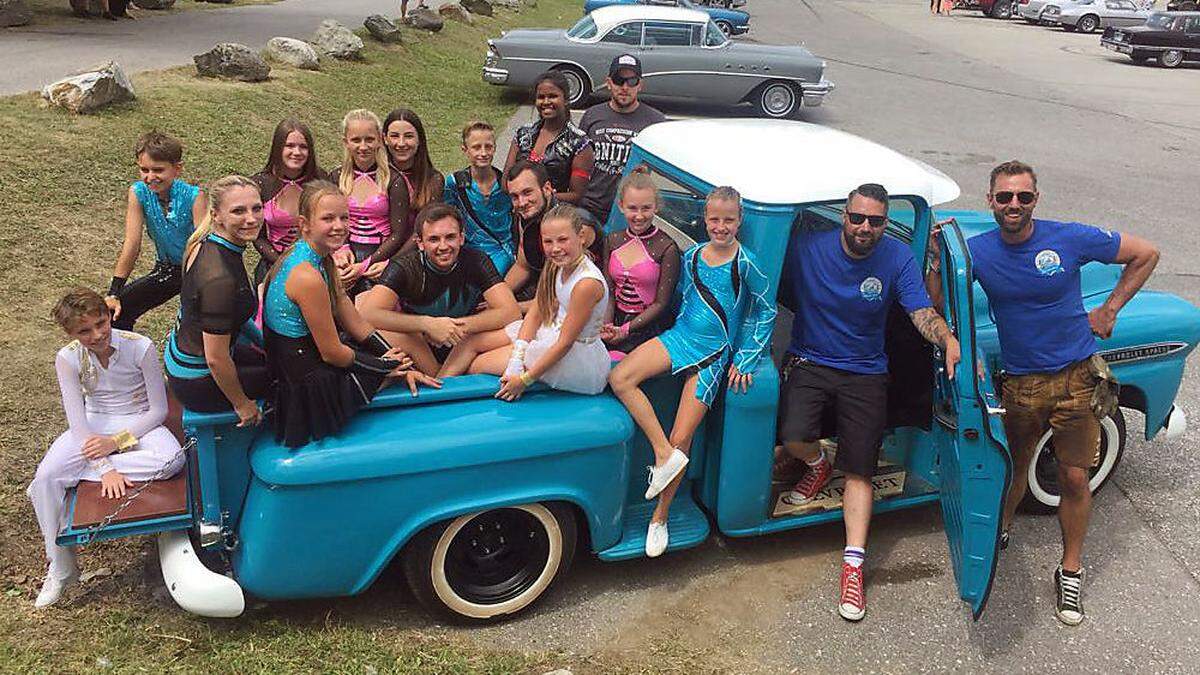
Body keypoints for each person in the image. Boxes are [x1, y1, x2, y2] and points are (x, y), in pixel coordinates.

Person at [941, 161, 1158, 625]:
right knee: (1011, 469)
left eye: (1023, 196)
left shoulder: (1070, 237)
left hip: (1077, 377)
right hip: (1021, 383)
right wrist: (939, 259)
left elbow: (1146, 253)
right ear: (991, 201)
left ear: (1036, 199)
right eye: (1004, 197)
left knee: (1075, 477)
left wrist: (1110, 309)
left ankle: (1071, 570)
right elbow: (938, 301)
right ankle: (997, 533)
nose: (1013, 204)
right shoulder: (976, 253)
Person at [775, 183, 960, 622]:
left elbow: (920, 312)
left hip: (866, 372)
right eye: (857, 217)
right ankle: (818, 463)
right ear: (844, 215)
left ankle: (853, 564)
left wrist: (948, 338)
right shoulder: (808, 246)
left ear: (883, 222)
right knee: (793, 436)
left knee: (860, 468)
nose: (865, 227)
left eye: (876, 220)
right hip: (810, 360)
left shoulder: (896, 256)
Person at [608, 187, 775, 559]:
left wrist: (746, 357)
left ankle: (660, 517)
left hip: (713, 355)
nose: (721, 227)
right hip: (680, 337)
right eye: (714, 219)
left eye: (728, 220)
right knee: (620, 378)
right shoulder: (694, 256)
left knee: (683, 437)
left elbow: (766, 310)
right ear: (705, 218)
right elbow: (677, 299)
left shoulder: (746, 262)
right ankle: (661, 452)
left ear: (739, 220)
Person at [28, 289, 186, 608]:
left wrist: (114, 446)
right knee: (44, 478)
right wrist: (105, 469)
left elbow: (157, 410)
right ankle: (59, 566)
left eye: (101, 323)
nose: (97, 334)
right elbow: (78, 422)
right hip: (94, 423)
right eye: (84, 331)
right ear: (71, 334)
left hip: (138, 422)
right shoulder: (68, 358)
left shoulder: (139, 347)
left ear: (109, 315)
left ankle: (76, 474)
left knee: (172, 460)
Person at [262, 181, 440, 448]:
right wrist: (388, 368)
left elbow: (354, 320)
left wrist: (391, 359)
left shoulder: (322, 258)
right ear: (304, 224)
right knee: (392, 370)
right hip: (307, 384)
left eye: (344, 217)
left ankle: (436, 381)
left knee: (402, 346)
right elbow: (332, 353)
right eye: (328, 218)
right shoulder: (306, 275)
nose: (339, 226)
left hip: (311, 360)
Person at [460, 205, 611, 398]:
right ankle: (439, 381)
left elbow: (565, 343)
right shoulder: (556, 264)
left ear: (581, 237)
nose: (555, 248)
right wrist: (518, 354)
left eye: (563, 240)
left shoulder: (586, 284)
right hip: (551, 332)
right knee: (471, 341)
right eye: (548, 241)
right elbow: (537, 311)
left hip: (574, 357)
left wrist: (524, 380)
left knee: (477, 364)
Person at [358, 204, 521, 377]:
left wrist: (452, 327)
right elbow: (368, 314)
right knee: (376, 332)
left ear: (462, 238)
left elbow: (511, 312)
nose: (443, 246)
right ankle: (444, 377)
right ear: (420, 243)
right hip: (420, 349)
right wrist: (427, 325)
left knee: (521, 332)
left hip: (464, 345)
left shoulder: (476, 261)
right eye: (434, 239)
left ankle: (444, 377)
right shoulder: (404, 267)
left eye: (450, 237)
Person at [165, 175, 272, 420]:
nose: (251, 218)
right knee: (291, 375)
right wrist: (242, 404)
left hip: (184, 357)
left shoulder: (207, 243)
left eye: (257, 208)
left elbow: (233, 316)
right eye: (238, 211)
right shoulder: (219, 280)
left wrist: (265, 345)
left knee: (277, 356)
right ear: (216, 215)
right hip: (197, 380)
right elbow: (216, 358)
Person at [104, 131, 207, 331]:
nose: (150, 177)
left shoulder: (195, 197)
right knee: (116, 313)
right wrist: (114, 292)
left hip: (197, 270)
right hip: (167, 269)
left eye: (158, 170)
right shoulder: (139, 193)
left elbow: (203, 245)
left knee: (207, 323)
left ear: (177, 169)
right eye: (144, 169)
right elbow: (132, 243)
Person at [327, 109, 412, 295]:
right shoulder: (336, 177)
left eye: (369, 139)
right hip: (345, 254)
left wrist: (366, 265)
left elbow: (399, 233)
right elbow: (330, 222)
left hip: (380, 256)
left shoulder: (394, 180)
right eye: (356, 140)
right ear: (345, 142)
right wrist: (340, 250)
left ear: (380, 140)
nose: (363, 146)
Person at [578, 55, 666, 225]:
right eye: (619, 80)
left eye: (632, 81)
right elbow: (578, 160)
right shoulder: (592, 115)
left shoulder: (655, 121)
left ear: (640, 85)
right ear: (609, 82)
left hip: (631, 211)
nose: (625, 87)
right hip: (590, 206)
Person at [600, 172, 680, 358]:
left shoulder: (667, 247)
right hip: (615, 321)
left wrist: (625, 330)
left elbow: (661, 303)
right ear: (621, 206)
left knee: (615, 366)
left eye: (646, 208)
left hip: (647, 328)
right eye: (632, 208)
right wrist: (608, 325)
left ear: (656, 207)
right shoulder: (613, 240)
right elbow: (609, 289)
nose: (639, 216)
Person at [504, 160, 602, 304]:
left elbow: (557, 297)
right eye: (515, 197)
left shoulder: (577, 226)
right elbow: (522, 267)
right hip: (540, 291)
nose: (522, 202)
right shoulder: (527, 217)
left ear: (547, 189)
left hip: (573, 302)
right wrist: (498, 296)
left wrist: (507, 309)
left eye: (527, 192)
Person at [251, 119, 326, 287]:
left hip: (316, 264)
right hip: (273, 264)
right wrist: (281, 264)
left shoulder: (321, 179)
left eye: (303, 147)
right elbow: (258, 236)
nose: (297, 152)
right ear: (278, 148)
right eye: (289, 146)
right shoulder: (261, 184)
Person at [503, 72, 593, 205]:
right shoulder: (523, 135)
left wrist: (541, 197)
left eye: (553, 96)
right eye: (541, 97)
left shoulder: (580, 144)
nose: (546, 102)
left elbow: (577, 195)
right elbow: (506, 180)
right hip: (521, 214)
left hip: (555, 218)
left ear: (566, 99)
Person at [443, 120, 516, 275]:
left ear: (495, 148)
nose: (483, 153)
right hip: (469, 250)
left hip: (502, 250)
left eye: (488, 146)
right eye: (476, 147)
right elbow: (447, 218)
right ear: (465, 149)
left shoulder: (506, 183)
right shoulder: (455, 183)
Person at [382, 108, 444, 237]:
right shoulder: (376, 175)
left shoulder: (433, 180)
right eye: (394, 136)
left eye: (409, 136)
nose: (401, 143)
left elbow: (424, 231)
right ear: (385, 139)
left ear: (419, 139)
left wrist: (394, 258)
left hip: (414, 250)